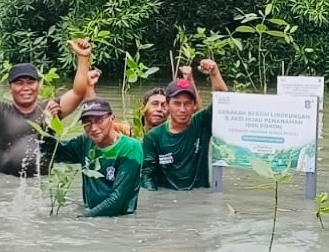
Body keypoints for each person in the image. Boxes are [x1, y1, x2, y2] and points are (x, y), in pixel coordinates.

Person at [0, 34, 93, 177]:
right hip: (7, 183)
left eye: (30, 82)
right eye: (19, 83)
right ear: (10, 88)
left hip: (43, 184)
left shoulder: (51, 108)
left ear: (38, 85)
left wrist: (83, 58)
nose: (26, 87)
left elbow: (79, 92)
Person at [140, 59, 229, 191]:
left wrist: (214, 73)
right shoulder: (153, 137)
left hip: (199, 197)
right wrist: (154, 199)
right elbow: (147, 175)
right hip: (167, 197)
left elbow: (223, 103)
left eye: (187, 104)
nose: (182, 109)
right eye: (177, 103)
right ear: (167, 105)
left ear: (194, 105)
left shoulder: (201, 124)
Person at [52, 98, 144, 217]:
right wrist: (50, 121)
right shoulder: (85, 142)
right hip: (91, 213)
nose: (94, 128)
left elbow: (118, 199)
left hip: (119, 219)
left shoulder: (130, 148)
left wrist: (81, 219)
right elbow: (53, 153)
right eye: (87, 122)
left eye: (99, 120)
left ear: (112, 118)